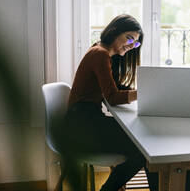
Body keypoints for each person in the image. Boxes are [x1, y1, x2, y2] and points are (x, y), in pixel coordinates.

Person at [64, 14, 158, 191]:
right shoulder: (100, 54)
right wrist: (144, 93)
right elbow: (113, 98)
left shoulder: (101, 51)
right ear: (115, 32)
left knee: (143, 144)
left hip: (83, 121)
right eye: (129, 38)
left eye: (135, 42)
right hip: (82, 127)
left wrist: (140, 90)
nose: (131, 45)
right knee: (143, 150)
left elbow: (113, 89)